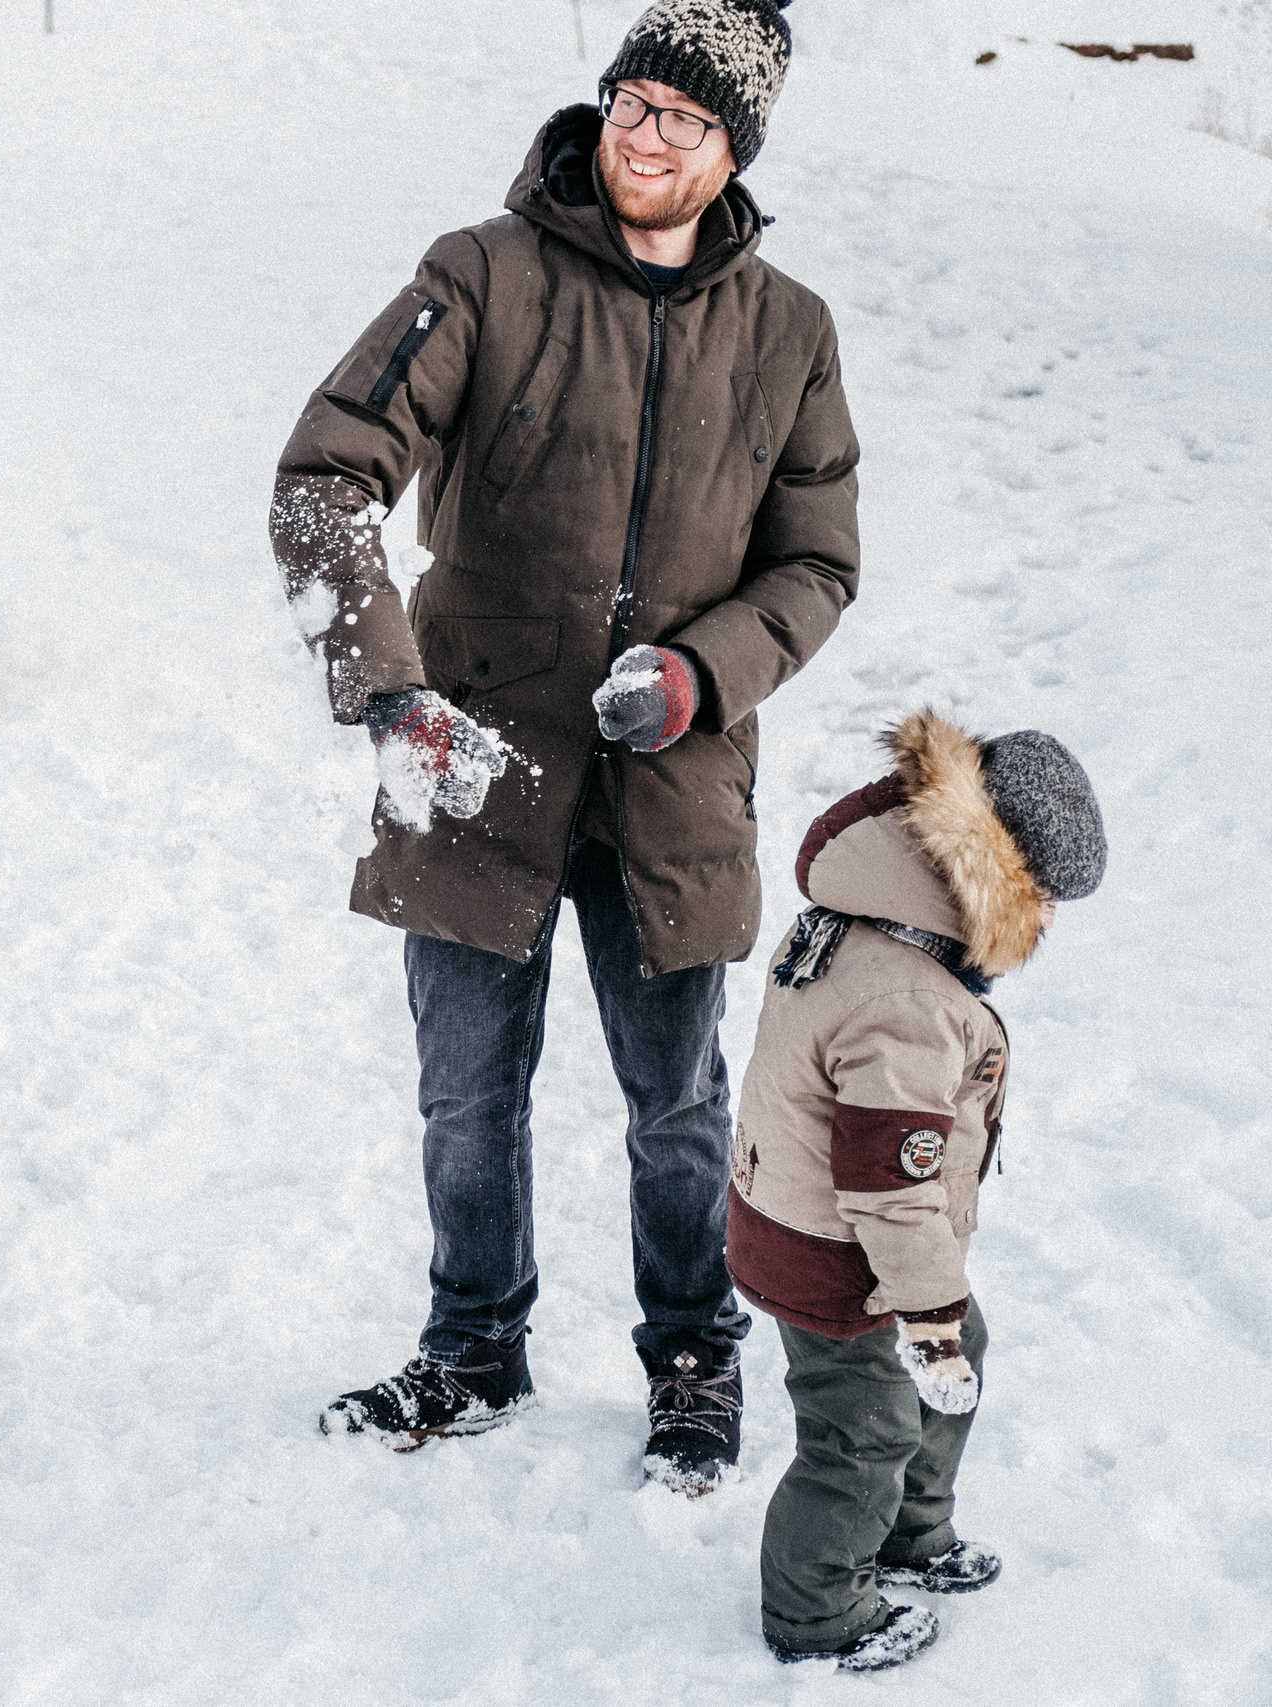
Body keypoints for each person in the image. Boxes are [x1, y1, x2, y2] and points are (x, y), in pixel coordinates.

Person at [270, 0, 859, 1490]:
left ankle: (693, 1360)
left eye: (686, 117)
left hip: (677, 785)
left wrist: (702, 675)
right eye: (633, 100)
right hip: (473, 762)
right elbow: (325, 477)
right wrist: (388, 692)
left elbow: (816, 564)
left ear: (735, 151)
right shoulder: (481, 273)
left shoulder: (789, 332)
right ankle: (474, 1345)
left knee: (680, 1107)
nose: (646, 136)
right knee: (468, 1092)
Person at [734, 713, 1103, 1671]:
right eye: (1043, 894)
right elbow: (887, 1188)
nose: (1048, 920)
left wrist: (942, 1318)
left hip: (848, 1232)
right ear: (990, 866)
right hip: (834, 1253)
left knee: (957, 1355)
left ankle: (908, 1529)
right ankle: (817, 1610)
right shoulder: (910, 998)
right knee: (861, 1431)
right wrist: (927, 1312)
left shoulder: (882, 907)